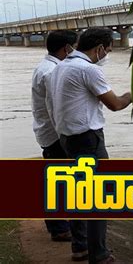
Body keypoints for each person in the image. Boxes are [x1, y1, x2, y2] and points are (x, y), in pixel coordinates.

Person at [47, 28, 132, 263]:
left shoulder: (60, 67)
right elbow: (115, 104)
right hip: (88, 139)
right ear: (100, 49)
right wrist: (131, 94)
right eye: (109, 50)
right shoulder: (89, 70)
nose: (107, 55)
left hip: (66, 138)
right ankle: (99, 254)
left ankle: (80, 247)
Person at [31, 30, 77, 242]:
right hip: (55, 134)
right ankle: (59, 228)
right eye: (73, 46)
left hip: (47, 131)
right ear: (66, 48)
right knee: (59, 181)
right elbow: (55, 108)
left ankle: (58, 225)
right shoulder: (52, 72)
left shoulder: (46, 67)